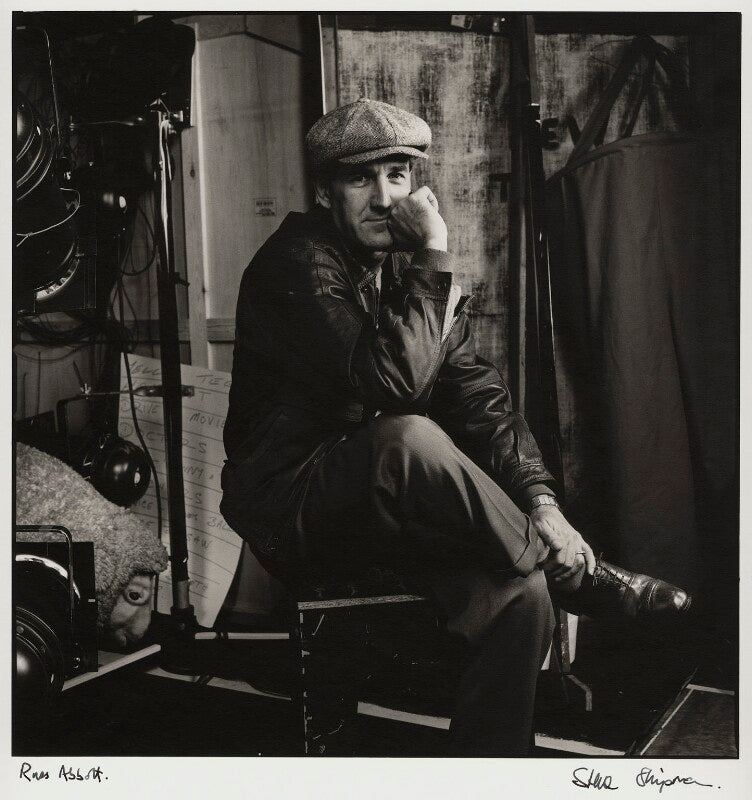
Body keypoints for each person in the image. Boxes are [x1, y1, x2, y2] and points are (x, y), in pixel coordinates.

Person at [220, 98, 690, 756]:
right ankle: (580, 578)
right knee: (407, 438)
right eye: (359, 179)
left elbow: (477, 397)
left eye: (397, 176)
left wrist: (542, 504)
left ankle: (489, 770)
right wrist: (434, 252)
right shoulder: (295, 265)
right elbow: (394, 385)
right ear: (325, 193)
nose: (384, 199)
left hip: (383, 511)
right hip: (293, 505)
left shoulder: (405, 272)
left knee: (522, 594)